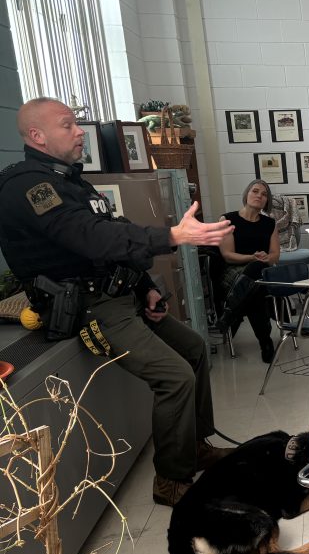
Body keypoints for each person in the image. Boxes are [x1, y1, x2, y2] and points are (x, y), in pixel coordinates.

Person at [0, 97, 234, 506]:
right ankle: (172, 481)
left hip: (119, 294)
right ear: (37, 136)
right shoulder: (29, 188)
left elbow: (111, 235)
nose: (79, 133)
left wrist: (146, 286)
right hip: (91, 307)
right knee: (175, 376)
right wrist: (173, 236)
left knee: (194, 347)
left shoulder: (72, 181)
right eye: (68, 125)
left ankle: (194, 447)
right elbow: (90, 238)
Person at [216, 179, 280, 364]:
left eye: (264, 194)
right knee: (257, 284)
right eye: (255, 191)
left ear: (267, 201)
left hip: (258, 273)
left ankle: (232, 311)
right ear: (246, 194)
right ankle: (265, 343)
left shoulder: (269, 223)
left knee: (257, 276)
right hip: (232, 273)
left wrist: (265, 258)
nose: (259, 196)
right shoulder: (228, 220)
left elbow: (275, 255)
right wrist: (253, 257)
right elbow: (227, 255)